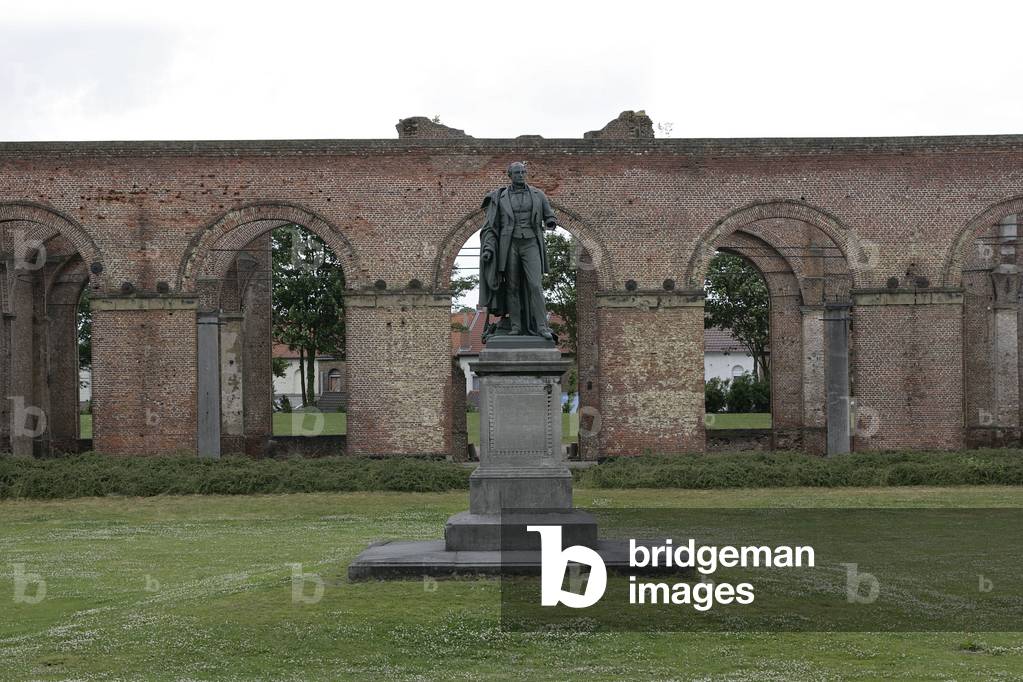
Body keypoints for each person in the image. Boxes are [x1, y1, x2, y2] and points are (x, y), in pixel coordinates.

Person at [478, 161, 558, 340]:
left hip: (530, 243)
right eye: (517, 173)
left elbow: (549, 214)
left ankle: (542, 326)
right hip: (509, 245)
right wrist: (489, 248)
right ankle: (515, 326)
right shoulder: (500, 197)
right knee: (511, 286)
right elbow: (492, 225)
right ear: (510, 175)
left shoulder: (538, 195)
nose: (521, 175)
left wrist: (551, 221)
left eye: (523, 172)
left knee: (535, 285)